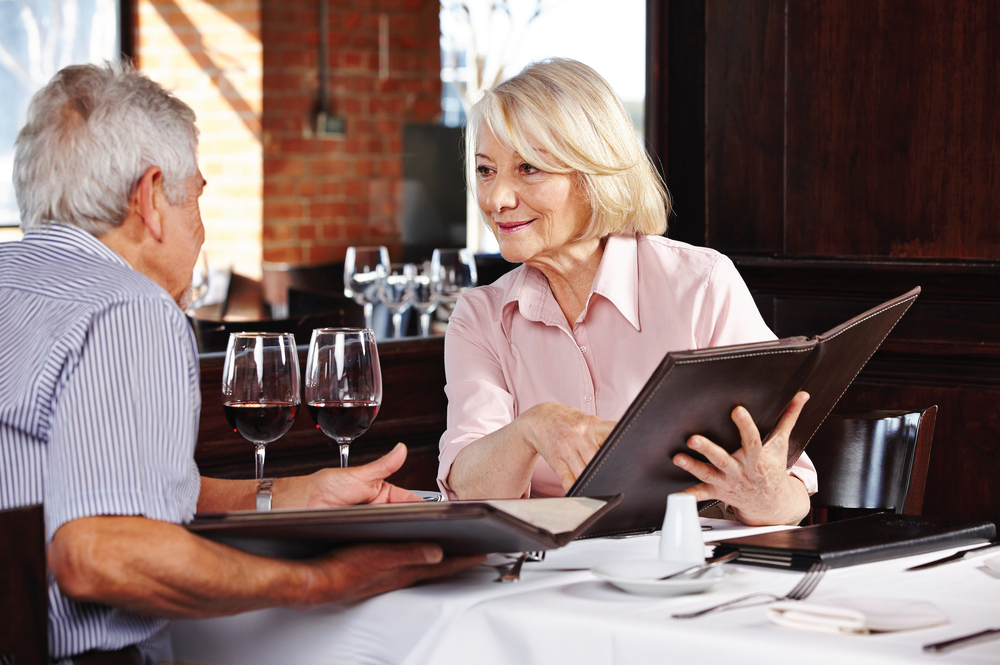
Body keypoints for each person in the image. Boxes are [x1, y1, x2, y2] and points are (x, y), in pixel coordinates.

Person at [0, 61, 481, 665]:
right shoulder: (127, 308)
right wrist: (320, 584)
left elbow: (100, 485)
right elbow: (97, 554)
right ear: (150, 197)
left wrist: (292, 493)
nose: (201, 232)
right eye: (196, 198)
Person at [437, 58, 816, 527]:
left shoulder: (700, 285)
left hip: (685, 570)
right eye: (486, 170)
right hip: (545, 575)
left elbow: (789, 499)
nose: (496, 199)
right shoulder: (480, 317)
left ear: (592, 175)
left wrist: (761, 491)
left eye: (528, 168)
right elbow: (467, 491)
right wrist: (534, 426)